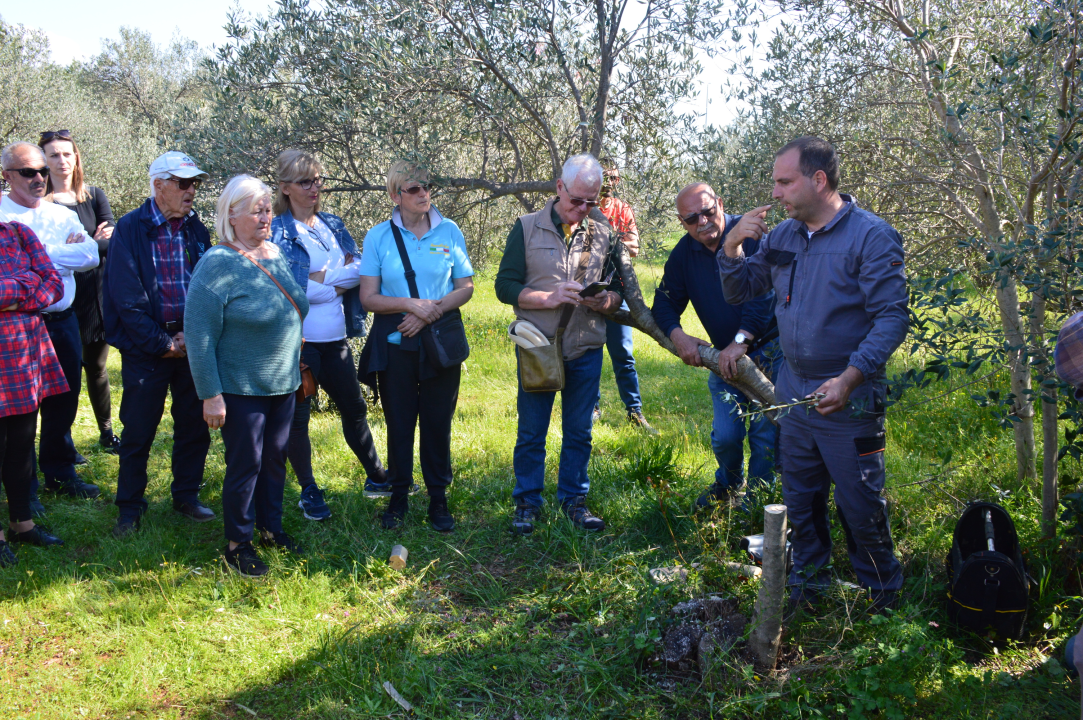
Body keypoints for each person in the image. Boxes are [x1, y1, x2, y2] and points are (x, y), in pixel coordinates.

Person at [718, 136, 908, 610]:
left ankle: (883, 594)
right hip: (793, 389)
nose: (776, 193)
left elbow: (892, 317)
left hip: (848, 393)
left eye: (785, 182)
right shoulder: (783, 236)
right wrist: (731, 246)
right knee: (800, 497)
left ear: (818, 180)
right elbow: (742, 290)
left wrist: (850, 378)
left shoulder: (870, 235)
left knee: (860, 500)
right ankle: (810, 584)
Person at [494, 153, 624, 535]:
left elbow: (619, 287)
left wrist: (608, 301)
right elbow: (504, 287)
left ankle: (574, 501)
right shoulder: (526, 227)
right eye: (576, 201)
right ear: (559, 188)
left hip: (586, 346)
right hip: (538, 346)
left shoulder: (604, 232)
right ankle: (527, 503)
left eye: (591, 202)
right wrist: (546, 298)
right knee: (531, 431)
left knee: (579, 430)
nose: (582, 209)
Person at [186, 174, 308, 578]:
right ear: (231, 215)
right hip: (240, 388)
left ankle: (271, 528)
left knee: (275, 459)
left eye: (268, 208)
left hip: (282, 382)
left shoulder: (273, 252)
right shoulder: (216, 264)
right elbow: (200, 336)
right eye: (256, 210)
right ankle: (238, 543)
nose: (265, 216)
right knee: (247, 463)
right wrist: (211, 395)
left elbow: (296, 304)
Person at [269, 149, 391, 522]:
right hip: (298, 341)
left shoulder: (333, 225)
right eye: (305, 181)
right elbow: (291, 289)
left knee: (353, 407)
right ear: (286, 187)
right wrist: (332, 283)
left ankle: (376, 476)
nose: (314, 188)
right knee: (298, 418)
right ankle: (308, 490)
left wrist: (324, 281)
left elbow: (362, 270)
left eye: (318, 180)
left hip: (336, 338)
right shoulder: (277, 231)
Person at [358, 160, 474, 532]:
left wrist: (429, 312)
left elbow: (466, 286)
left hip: (439, 337)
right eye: (414, 189)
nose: (424, 193)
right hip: (396, 338)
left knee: (438, 422)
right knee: (400, 421)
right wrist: (410, 305)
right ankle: (398, 497)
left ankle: (438, 498)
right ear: (395, 196)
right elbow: (368, 298)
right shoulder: (377, 237)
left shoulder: (449, 230)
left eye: (426, 186)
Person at [103, 151, 214, 538]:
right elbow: (126, 298)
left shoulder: (196, 229)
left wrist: (192, 337)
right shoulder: (130, 228)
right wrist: (163, 342)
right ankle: (129, 509)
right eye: (184, 184)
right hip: (146, 347)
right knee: (137, 430)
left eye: (194, 184)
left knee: (194, 426)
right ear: (159, 186)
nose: (191, 191)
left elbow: (205, 286)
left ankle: (185, 496)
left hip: (190, 343)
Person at [652, 182, 781, 509]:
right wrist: (677, 335)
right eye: (692, 218)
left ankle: (758, 503)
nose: (702, 222)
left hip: (772, 352)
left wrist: (741, 341)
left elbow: (761, 295)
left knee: (766, 434)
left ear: (720, 204)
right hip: (726, 358)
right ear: (682, 222)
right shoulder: (684, 254)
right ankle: (728, 484)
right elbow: (664, 303)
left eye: (708, 212)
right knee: (726, 435)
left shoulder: (749, 235)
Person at [0, 142, 100, 509]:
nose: (39, 177)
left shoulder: (59, 213)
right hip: (17, 328)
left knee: (64, 399)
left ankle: (59, 471)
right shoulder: (1, 213)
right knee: (18, 412)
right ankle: (23, 488)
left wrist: (37, 254)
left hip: (61, 321)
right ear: (7, 175)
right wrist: (57, 255)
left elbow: (89, 256)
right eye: (29, 172)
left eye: (42, 170)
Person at [39, 130, 119, 454]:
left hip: (95, 294)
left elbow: (111, 242)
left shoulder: (94, 196)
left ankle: (107, 433)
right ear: (43, 161)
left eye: (67, 154)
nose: (62, 160)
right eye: (54, 155)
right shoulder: (39, 205)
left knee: (97, 368)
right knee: (61, 376)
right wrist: (86, 244)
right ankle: (64, 443)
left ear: (76, 157)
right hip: (56, 298)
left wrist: (87, 244)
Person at [0, 220, 70, 564]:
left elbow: (54, 285)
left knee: (20, 446)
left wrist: (12, 293)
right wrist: (27, 284)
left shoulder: (17, 232)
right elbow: (38, 283)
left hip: (24, 356)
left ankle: (21, 524)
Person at [595, 162, 654, 432]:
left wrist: (607, 241)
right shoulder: (586, 207)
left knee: (623, 354)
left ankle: (634, 412)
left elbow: (635, 247)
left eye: (615, 178)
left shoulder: (622, 209)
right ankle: (591, 408)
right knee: (588, 351)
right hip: (589, 285)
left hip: (619, 286)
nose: (611, 182)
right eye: (606, 177)